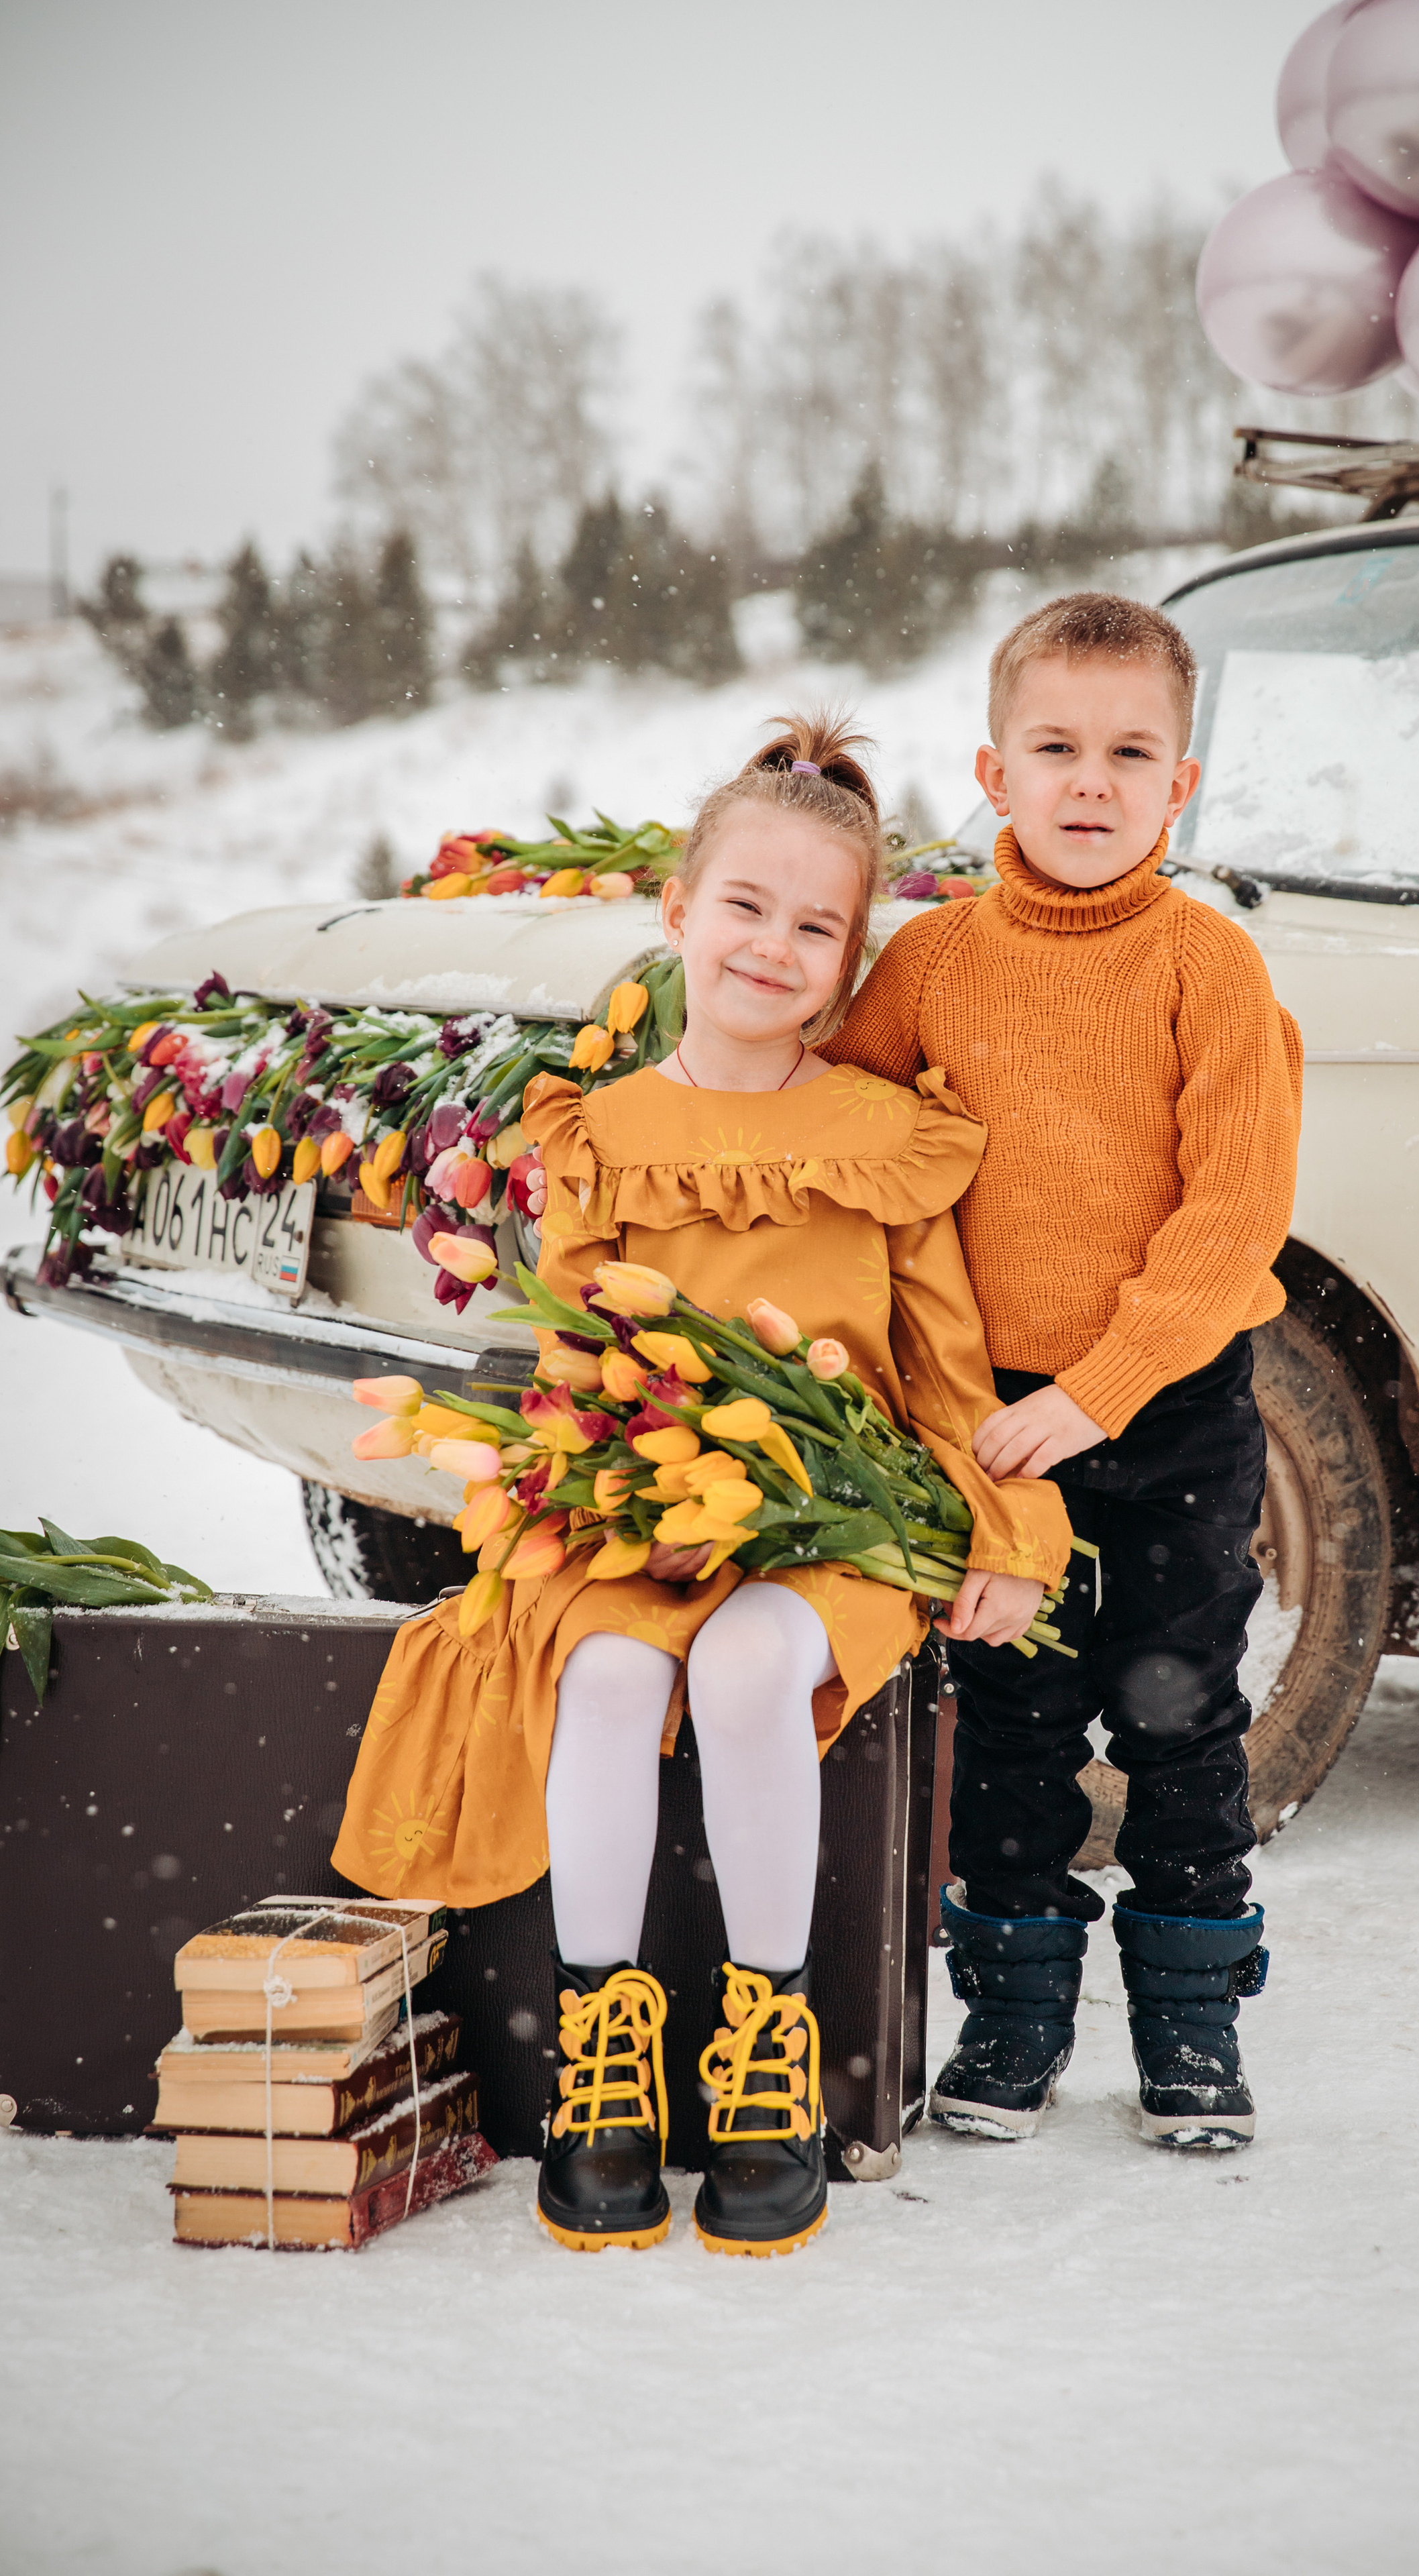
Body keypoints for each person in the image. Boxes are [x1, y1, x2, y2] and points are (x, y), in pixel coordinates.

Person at [332, 714, 1070, 2257]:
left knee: (743, 1669)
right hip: (648, 1511)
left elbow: (947, 1371)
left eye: (815, 927)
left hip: (836, 1518)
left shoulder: (884, 1140)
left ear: (850, 960)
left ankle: (765, 2046)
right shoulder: (602, 1134)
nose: (771, 946)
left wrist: (1006, 1526)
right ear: (677, 910)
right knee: (603, 1672)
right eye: (744, 905)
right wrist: (593, 1501)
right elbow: (580, 1361)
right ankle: (600, 2048)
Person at [825, 594, 1302, 2151]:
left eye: (1128, 753)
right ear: (993, 773)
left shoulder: (1205, 965)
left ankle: (1191, 2025)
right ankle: (1012, 2022)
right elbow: (853, 1146)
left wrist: (1101, 1390)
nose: (1088, 781)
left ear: (1179, 785)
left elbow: (1233, 1216)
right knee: (1010, 1725)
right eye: (1053, 748)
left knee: (1179, 1721)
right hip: (986, 1425)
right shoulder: (929, 964)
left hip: (1165, 1413)